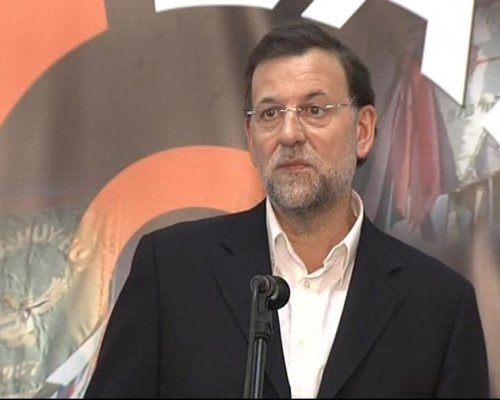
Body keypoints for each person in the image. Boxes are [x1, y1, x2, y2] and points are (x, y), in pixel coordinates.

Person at [84, 20, 489, 398]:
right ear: (251, 137)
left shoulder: (439, 304)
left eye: (315, 110)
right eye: (270, 113)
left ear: (363, 130)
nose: (289, 133)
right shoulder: (172, 270)